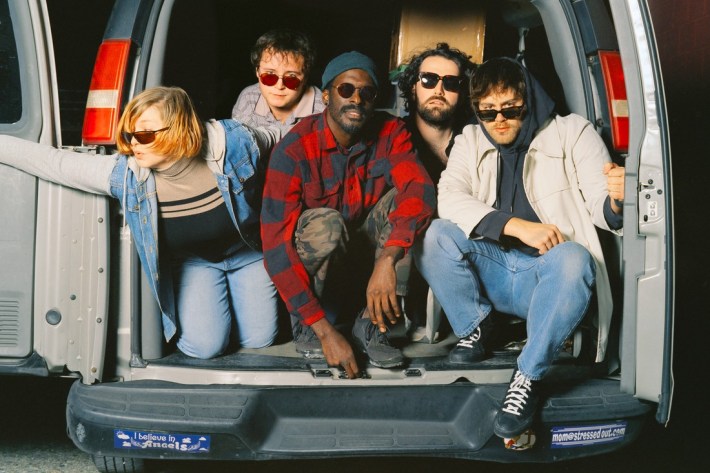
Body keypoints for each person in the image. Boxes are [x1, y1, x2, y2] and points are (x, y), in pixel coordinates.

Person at [412, 57, 625, 439]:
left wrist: (618, 200)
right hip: (492, 271)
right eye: (487, 112)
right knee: (433, 235)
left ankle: (527, 376)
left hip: (546, 277)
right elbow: (449, 197)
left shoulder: (573, 132)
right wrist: (517, 227)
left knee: (575, 259)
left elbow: (601, 206)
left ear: (530, 100)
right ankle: (477, 327)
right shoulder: (470, 139)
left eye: (510, 110)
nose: (499, 121)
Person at [0, 86, 283, 360]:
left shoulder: (231, 143)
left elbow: (279, 135)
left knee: (259, 339)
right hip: (194, 262)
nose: (133, 143)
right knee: (205, 348)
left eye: (145, 134)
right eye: (129, 134)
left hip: (247, 253)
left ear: (179, 128)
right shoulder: (127, 175)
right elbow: (55, 162)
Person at [261, 51, 436, 377]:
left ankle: (371, 324)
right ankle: (307, 325)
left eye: (367, 93)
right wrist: (323, 329)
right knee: (326, 225)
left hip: (370, 261)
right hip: (323, 275)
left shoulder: (391, 132)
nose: (357, 99)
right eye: (346, 90)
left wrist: (388, 259)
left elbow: (419, 190)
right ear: (327, 96)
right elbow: (276, 248)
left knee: (408, 203)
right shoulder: (294, 149)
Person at [396, 42, 476, 342]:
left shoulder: (476, 139)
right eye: (429, 79)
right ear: (413, 86)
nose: (439, 90)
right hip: (408, 264)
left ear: (462, 93)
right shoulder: (395, 139)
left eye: (451, 83)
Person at [231, 28, 325, 136]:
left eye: (291, 77)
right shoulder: (249, 99)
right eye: (270, 75)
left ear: (305, 78)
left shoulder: (322, 110)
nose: (279, 86)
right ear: (257, 71)